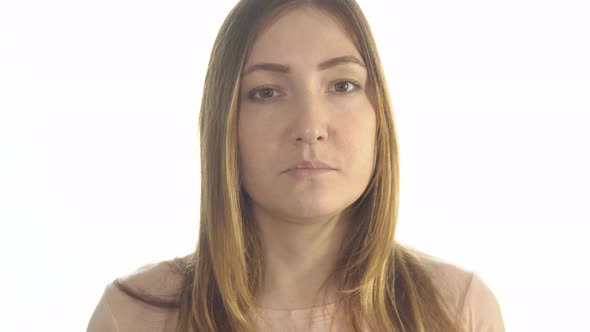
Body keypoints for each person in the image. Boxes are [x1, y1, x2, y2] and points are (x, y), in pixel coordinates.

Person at [87, 0, 505, 331]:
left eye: (342, 85)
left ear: (379, 113)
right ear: (224, 126)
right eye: (267, 92)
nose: (309, 127)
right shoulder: (133, 318)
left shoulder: (457, 312)